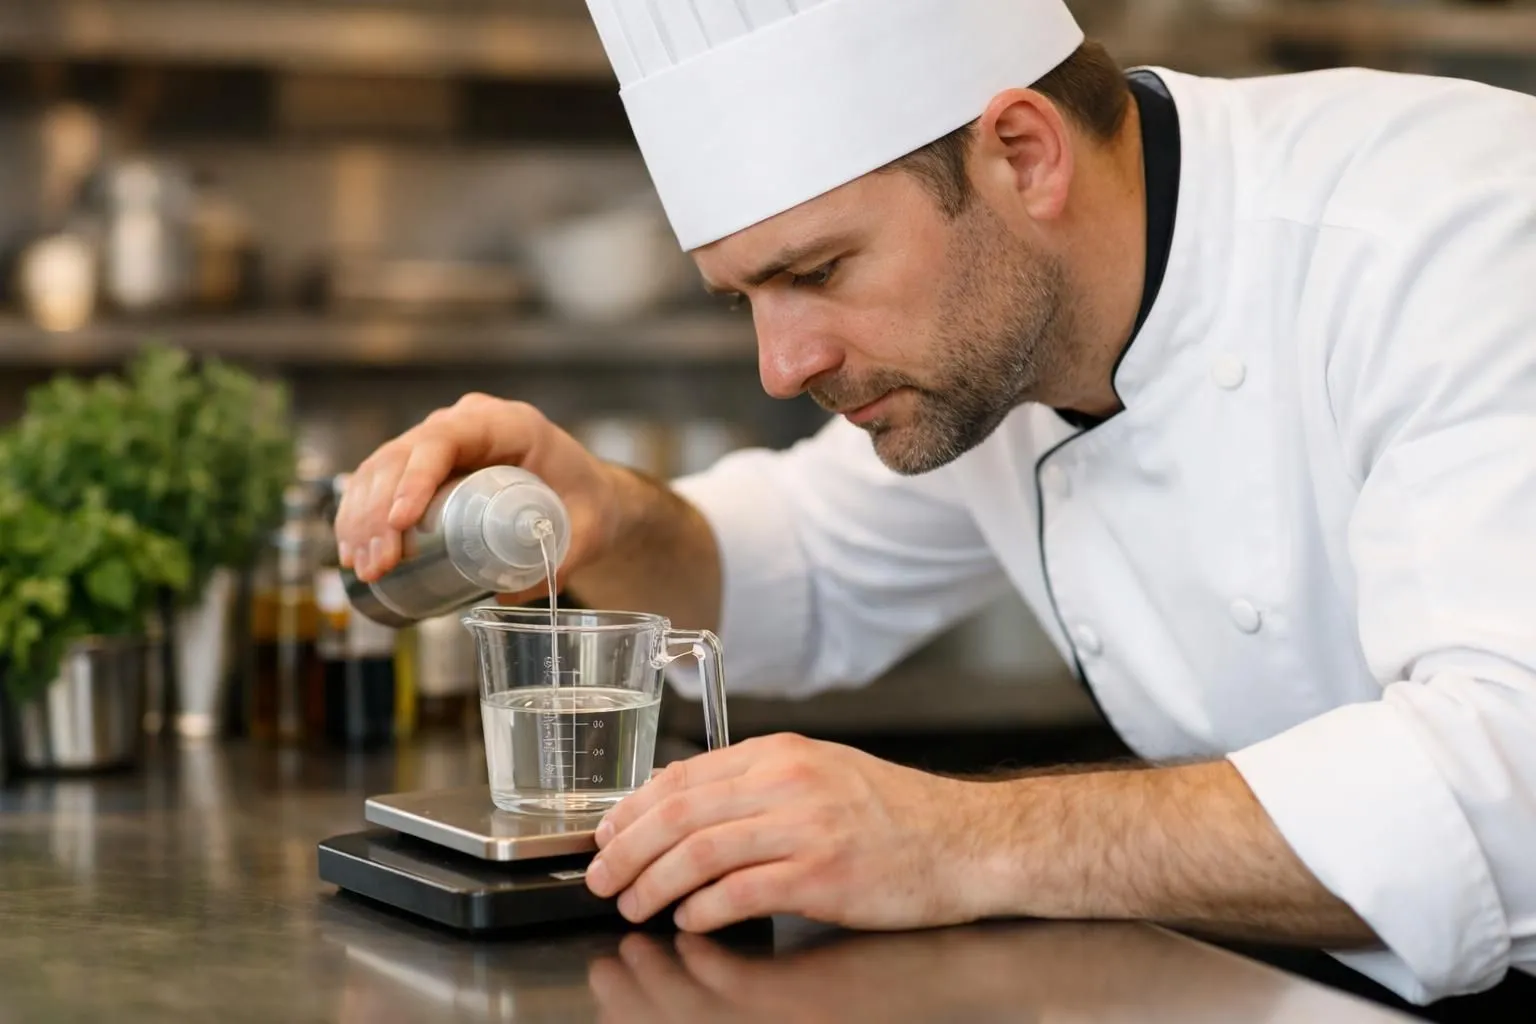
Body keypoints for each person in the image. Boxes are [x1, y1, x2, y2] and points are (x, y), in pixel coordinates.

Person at [333, 0, 1536, 1011]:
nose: (781, 366)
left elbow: (1508, 790)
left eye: (816, 272)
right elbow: (795, 577)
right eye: (742, 295)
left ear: (1022, 152)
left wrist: (959, 838)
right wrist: (608, 513)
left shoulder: (1452, 232)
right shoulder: (996, 353)